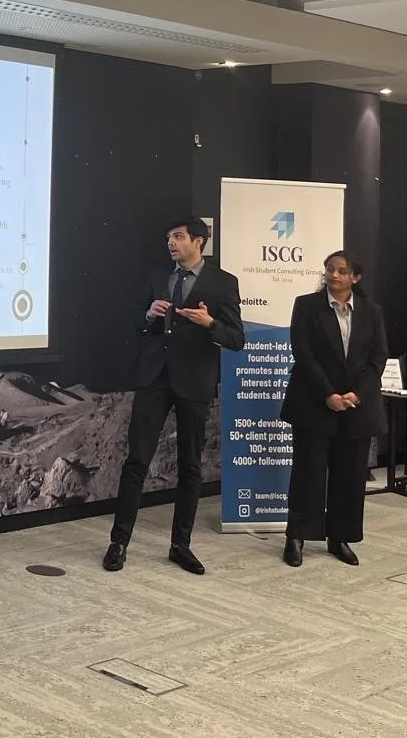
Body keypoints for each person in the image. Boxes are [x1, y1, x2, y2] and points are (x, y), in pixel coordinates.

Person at [103, 216, 245, 575]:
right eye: (168, 237)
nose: (171, 243)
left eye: (179, 236)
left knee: (190, 466)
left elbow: (236, 339)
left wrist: (209, 323)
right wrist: (148, 315)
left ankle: (180, 545)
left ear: (199, 241)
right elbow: (136, 325)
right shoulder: (157, 276)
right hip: (154, 379)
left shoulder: (223, 282)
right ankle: (118, 542)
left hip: (195, 382)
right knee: (136, 461)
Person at [279, 251, 387, 567]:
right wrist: (328, 394)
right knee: (308, 474)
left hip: (357, 407)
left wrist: (356, 395)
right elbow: (303, 353)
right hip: (314, 403)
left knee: (350, 476)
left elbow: (377, 358)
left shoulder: (372, 311)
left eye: (341, 271)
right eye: (330, 269)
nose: (334, 276)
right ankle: (297, 536)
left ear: (355, 277)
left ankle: (340, 537)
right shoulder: (306, 305)